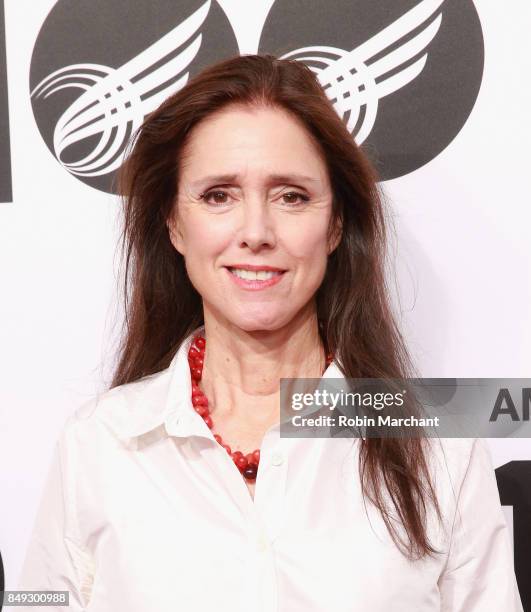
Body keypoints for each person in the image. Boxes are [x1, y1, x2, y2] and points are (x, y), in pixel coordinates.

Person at [17, 54, 524, 611]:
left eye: (291, 196)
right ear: (173, 223)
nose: (256, 232)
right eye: (219, 196)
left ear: (335, 225)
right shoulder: (97, 444)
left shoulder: (435, 445)